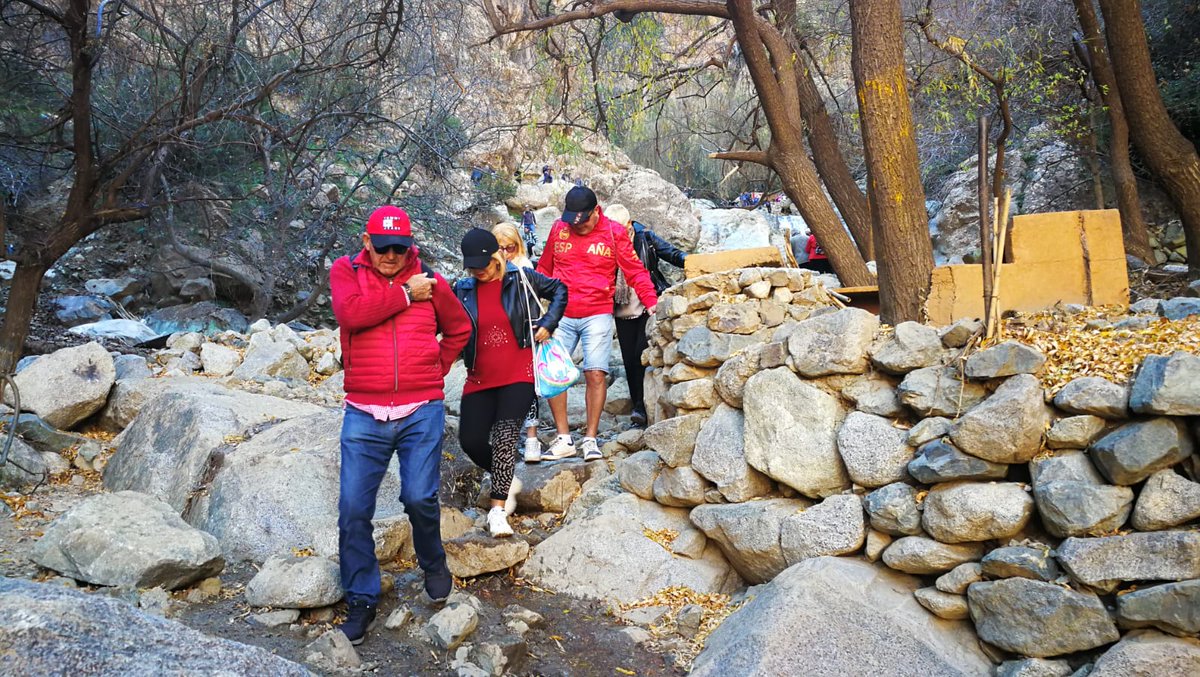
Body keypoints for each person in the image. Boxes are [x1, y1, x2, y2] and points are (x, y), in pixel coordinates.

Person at [329, 205, 473, 645]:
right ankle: (361, 598)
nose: (391, 256)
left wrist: (434, 368)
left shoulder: (431, 281)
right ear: (366, 242)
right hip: (364, 412)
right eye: (383, 247)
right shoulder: (347, 271)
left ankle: (433, 561)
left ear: (410, 246)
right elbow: (350, 314)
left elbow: (459, 329)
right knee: (354, 510)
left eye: (400, 248)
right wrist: (407, 295)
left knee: (419, 496)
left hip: (420, 409)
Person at [453, 228, 567, 535]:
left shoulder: (521, 279)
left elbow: (559, 289)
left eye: (482, 265)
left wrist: (549, 322)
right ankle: (506, 475)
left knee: (505, 437)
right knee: (470, 441)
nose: (478, 272)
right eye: (472, 267)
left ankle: (497, 511)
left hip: (519, 373)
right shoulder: (462, 289)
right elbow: (446, 323)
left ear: (497, 257)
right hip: (479, 377)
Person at [535, 186, 657, 461]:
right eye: (572, 221)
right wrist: (531, 300)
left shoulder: (614, 232)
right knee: (555, 373)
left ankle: (590, 439)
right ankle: (564, 438)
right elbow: (544, 268)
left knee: (595, 374)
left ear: (596, 212)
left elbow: (635, 271)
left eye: (582, 221)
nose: (577, 227)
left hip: (597, 312)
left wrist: (651, 301)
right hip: (561, 312)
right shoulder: (559, 229)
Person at [604, 204, 687, 427]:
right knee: (629, 361)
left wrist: (692, 261)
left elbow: (671, 253)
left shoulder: (644, 238)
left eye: (619, 228)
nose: (614, 233)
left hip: (646, 307)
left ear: (629, 224)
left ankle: (643, 407)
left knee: (640, 354)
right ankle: (638, 406)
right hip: (621, 310)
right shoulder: (603, 244)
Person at [492, 223, 544, 461]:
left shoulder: (524, 267)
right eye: (500, 248)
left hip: (522, 337)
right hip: (496, 338)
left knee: (526, 388)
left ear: (518, 246)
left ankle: (531, 439)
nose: (505, 253)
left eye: (509, 248)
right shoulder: (487, 268)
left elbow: (533, 303)